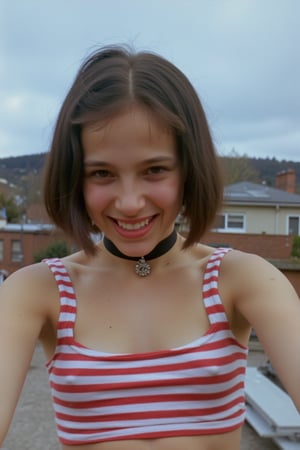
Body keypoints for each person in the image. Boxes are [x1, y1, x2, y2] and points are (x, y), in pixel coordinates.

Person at [0, 45, 299, 450]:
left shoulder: (243, 279)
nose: (129, 202)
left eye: (154, 170)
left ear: (189, 169)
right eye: (102, 173)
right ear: (75, 177)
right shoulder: (36, 290)